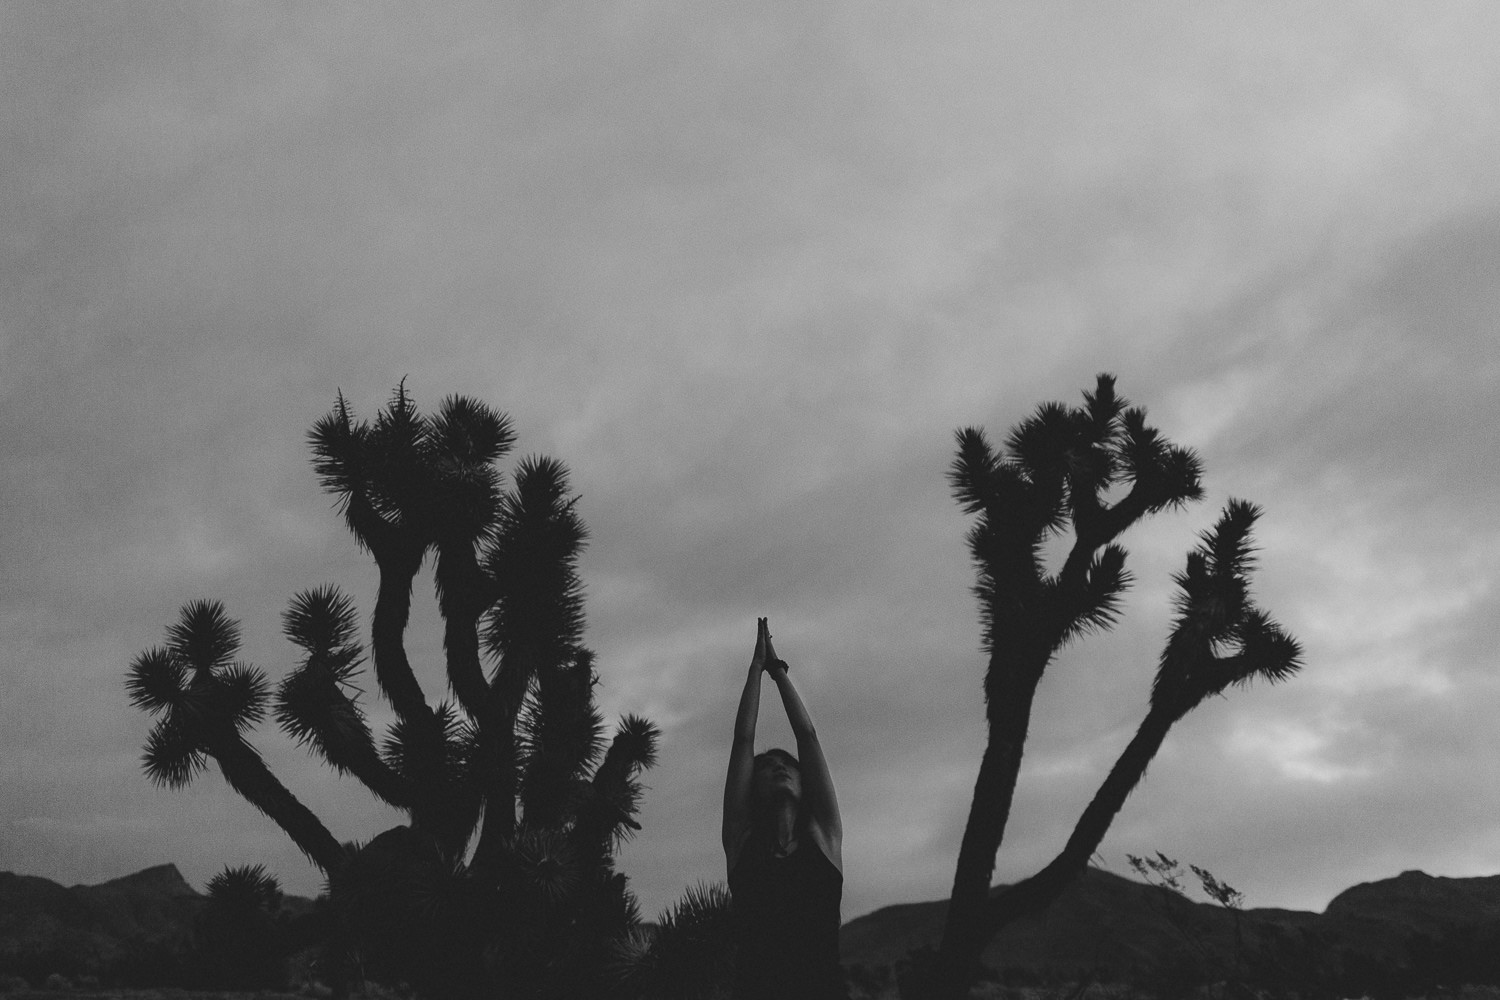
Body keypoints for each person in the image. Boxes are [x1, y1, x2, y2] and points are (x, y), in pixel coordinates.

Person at [723, 617, 846, 1000]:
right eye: (767, 767)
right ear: (752, 789)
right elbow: (743, 740)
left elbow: (807, 737)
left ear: (802, 781)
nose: (779, 766)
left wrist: (778, 672)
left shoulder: (823, 835)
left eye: (787, 765)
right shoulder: (742, 839)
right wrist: (755, 671)